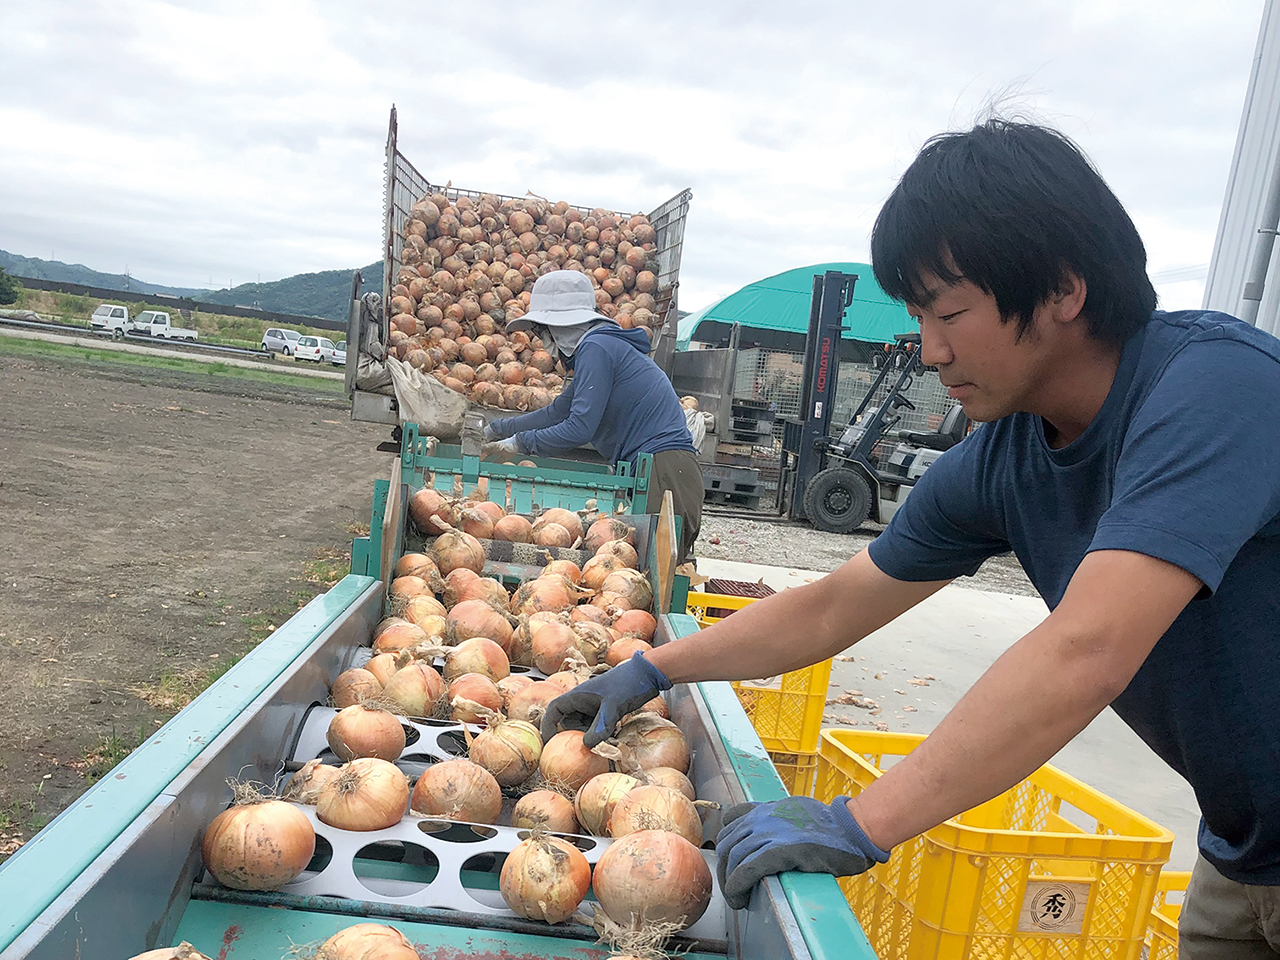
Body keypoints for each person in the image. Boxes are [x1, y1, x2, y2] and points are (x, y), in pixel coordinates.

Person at [541, 120, 1280, 957]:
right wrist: (649, 667)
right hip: (1243, 849)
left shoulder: (1215, 390)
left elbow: (1088, 646)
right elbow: (832, 606)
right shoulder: (1005, 453)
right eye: (920, 316)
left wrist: (864, 821)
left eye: (951, 312)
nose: (930, 350)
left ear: (1063, 289)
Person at [484, 270, 703, 563]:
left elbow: (579, 428)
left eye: (541, 331)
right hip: (659, 469)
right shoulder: (601, 347)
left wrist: (517, 443)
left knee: (655, 574)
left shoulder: (595, 348)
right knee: (641, 568)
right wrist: (495, 430)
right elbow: (557, 412)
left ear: (558, 327)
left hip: (664, 475)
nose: (543, 343)